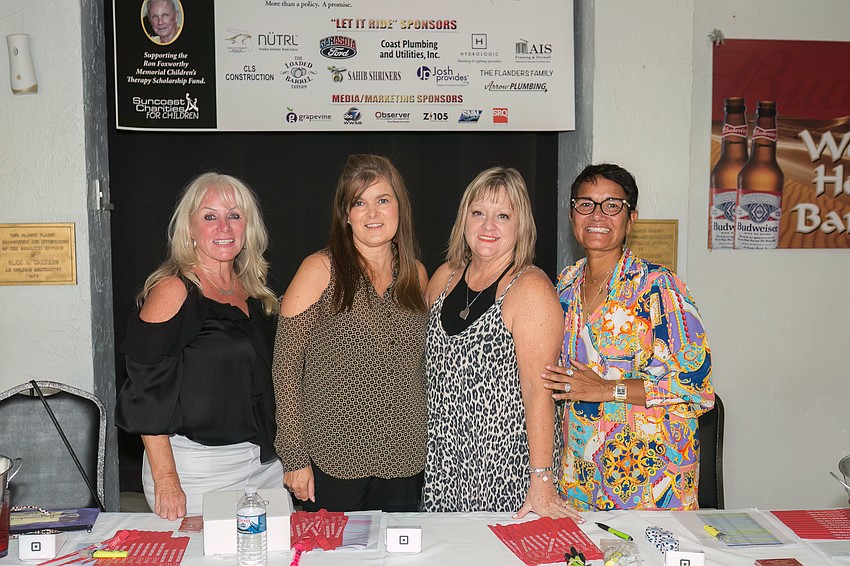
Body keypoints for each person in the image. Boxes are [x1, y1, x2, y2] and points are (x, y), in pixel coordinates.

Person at [542, 163, 713, 511]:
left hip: (649, 484)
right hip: (581, 478)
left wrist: (605, 389)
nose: (597, 215)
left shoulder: (660, 287)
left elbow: (696, 388)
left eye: (612, 205)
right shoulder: (564, 286)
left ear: (631, 218)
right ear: (573, 214)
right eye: (585, 204)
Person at [116, 172, 282, 520]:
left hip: (263, 465)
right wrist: (166, 479)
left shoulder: (254, 293)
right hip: (196, 470)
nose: (224, 226)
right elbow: (146, 393)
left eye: (234, 215)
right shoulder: (173, 291)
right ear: (189, 228)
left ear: (247, 227)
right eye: (210, 216)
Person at [422, 166, 581, 521]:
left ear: (520, 225)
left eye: (503, 216)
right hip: (444, 464)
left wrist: (541, 479)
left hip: (504, 468)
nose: (488, 226)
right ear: (464, 219)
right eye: (478, 213)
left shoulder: (529, 288)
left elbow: (539, 391)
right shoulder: (444, 277)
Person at [273, 154, 429, 512]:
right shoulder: (319, 269)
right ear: (346, 214)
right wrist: (295, 457)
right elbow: (285, 369)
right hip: (332, 458)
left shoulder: (416, 275)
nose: (372, 213)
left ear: (399, 208)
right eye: (359, 202)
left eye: (382, 200)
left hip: (403, 457)